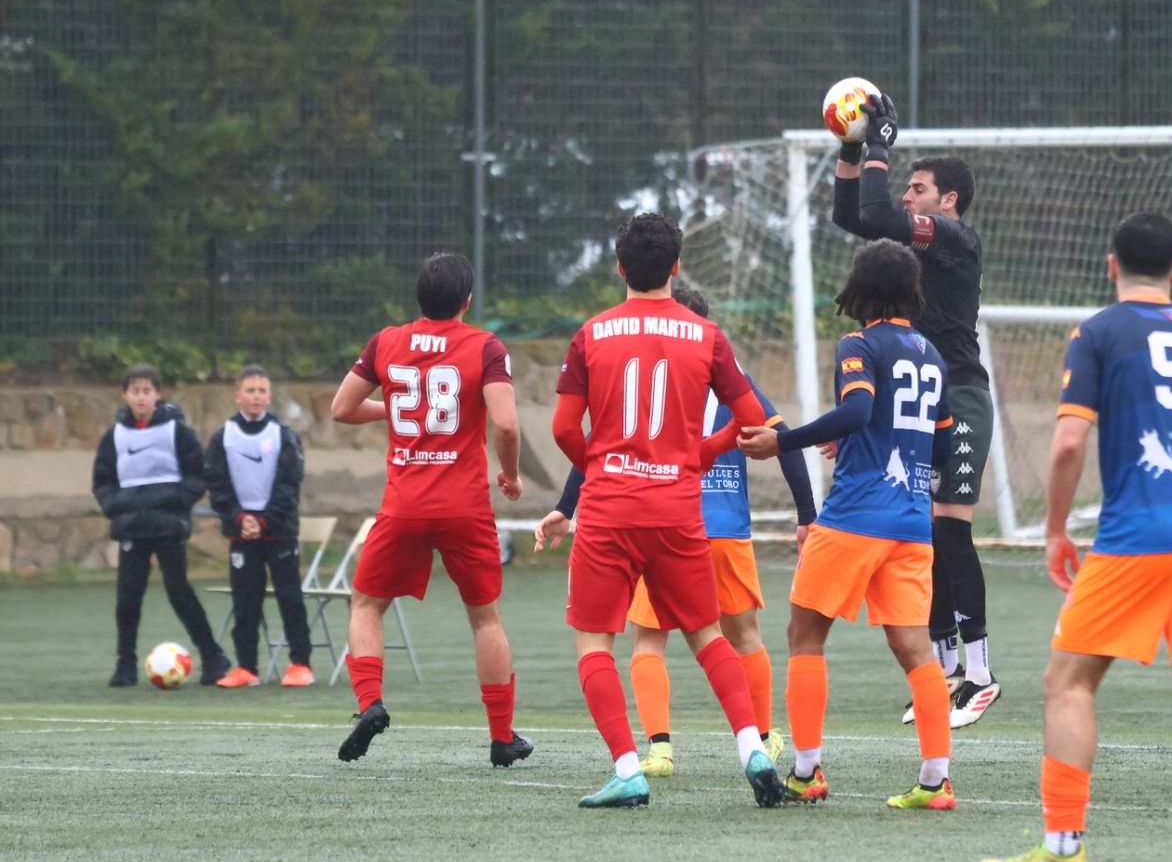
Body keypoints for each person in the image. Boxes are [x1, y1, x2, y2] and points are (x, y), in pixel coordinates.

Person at [977, 212, 1172, 862]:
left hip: (1137, 533)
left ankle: (1061, 850)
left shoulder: (1099, 333)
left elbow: (1069, 443)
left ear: (1111, 266)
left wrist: (1054, 529)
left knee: (1068, 680)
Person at [537, 212, 785, 809]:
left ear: (620, 267)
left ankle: (628, 767)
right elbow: (753, 421)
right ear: (676, 266)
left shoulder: (592, 333)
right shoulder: (707, 336)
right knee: (708, 635)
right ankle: (752, 746)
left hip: (609, 509)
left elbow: (564, 428)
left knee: (595, 641)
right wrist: (700, 454)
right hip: (678, 509)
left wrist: (601, 468)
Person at [740, 238, 957, 811]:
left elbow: (860, 408)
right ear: (911, 290)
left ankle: (807, 772)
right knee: (916, 650)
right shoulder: (931, 354)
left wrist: (781, 441)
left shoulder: (859, 342)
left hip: (856, 516)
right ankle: (936, 782)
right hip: (912, 523)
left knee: (804, 637)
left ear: (860, 290)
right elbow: (940, 437)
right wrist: (871, 441)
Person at [831, 93, 1000, 728]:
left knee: (949, 529)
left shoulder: (954, 237)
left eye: (918, 187)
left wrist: (880, 140)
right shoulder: (924, 237)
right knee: (921, 537)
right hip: (921, 399)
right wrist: (853, 149)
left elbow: (873, 210)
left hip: (959, 396)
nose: (907, 197)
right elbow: (856, 214)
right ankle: (946, 668)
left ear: (947, 201)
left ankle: (981, 675)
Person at [327, 252, 530, 768]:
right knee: (485, 618)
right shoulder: (485, 345)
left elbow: (342, 408)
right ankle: (501, 738)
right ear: (466, 301)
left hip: (404, 504)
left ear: (419, 296)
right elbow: (505, 424)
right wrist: (510, 474)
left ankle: (370, 703)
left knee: (366, 604)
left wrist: (396, 406)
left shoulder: (386, 341)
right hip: (464, 506)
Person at [93, 364, 232, 687]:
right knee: (128, 597)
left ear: (157, 393)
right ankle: (124, 664)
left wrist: (177, 500)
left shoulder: (177, 431)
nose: (140, 397)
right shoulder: (114, 436)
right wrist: (116, 507)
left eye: (146, 390)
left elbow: (199, 472)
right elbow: (102, 480)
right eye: (134, 390)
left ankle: (213, 657)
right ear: (125, 394)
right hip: (131, 527)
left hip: (167, 525)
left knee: (179, 591)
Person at [204, 365, 314, 688]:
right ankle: (247, 668)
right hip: (242, 532)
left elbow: (289, 484)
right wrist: (240, 518)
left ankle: (300, 664)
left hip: (278, 530)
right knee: (245, 600)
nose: (256, 396)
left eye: (262, 391)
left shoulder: (282, 435)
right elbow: (217, 484)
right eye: (250, 390)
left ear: (269, 396)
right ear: (238, 395)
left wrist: (265, 520)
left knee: (289, 598)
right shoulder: (224, 436)